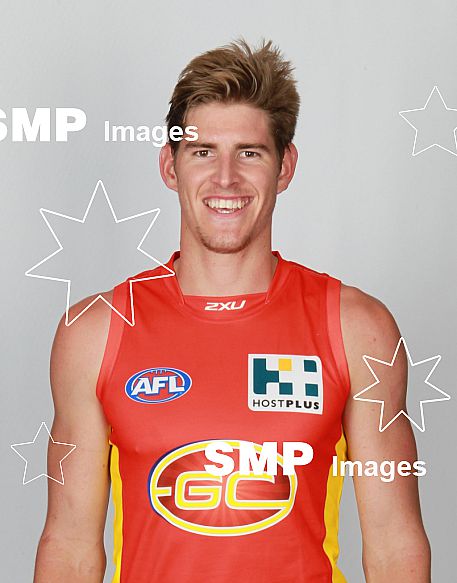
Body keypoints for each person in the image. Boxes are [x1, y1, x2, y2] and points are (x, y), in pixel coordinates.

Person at [34, 39, 431, 582]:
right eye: (202, 152)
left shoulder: (358, 329)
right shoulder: (95, 332)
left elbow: (394, 545)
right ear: (169, 166)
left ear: (285, 167)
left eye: (249, 152)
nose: (225, 178)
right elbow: (70, 547)